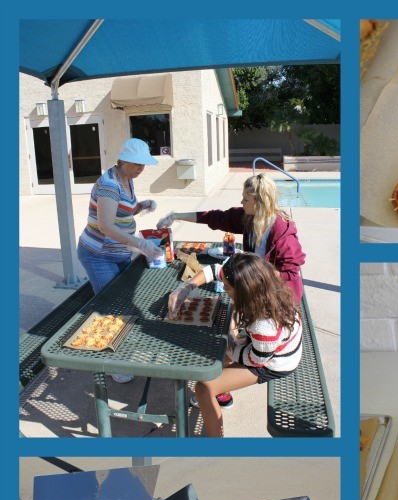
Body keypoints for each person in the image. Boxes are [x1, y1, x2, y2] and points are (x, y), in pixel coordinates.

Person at [168, 252, 302, 437]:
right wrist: (187, 287)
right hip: (266, 349)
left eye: (228, 287)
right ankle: (222, 393)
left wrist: (231, 340)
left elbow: (255, 360)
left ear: (245, 292)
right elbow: (217, 270)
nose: (223, 286)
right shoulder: (262, 289)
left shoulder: (264, 326)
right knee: (218, 354)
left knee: (203, 387)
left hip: (274, 364)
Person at [77, 138, 162, 383]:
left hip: (119, 252)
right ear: (123, 160)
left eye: (144, 164)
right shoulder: (108, 185)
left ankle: (121, 343)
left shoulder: (127, 179)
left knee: (123, 301)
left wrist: (141, 205)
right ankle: (111, 362)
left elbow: (124, 209)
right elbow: (105, 225)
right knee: (109, 306)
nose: (141, 168)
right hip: (98, 254)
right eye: (137, 164)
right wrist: (141, 244)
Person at [157, 172, 305, 304]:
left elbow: (290, 274)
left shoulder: (283, 233)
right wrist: (176, 216)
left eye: (246, 200)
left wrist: (253, 270)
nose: (242, 202)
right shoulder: (250, 217)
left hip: (277, 298)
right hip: (255, 284)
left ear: (260, 203)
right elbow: (215, 217)